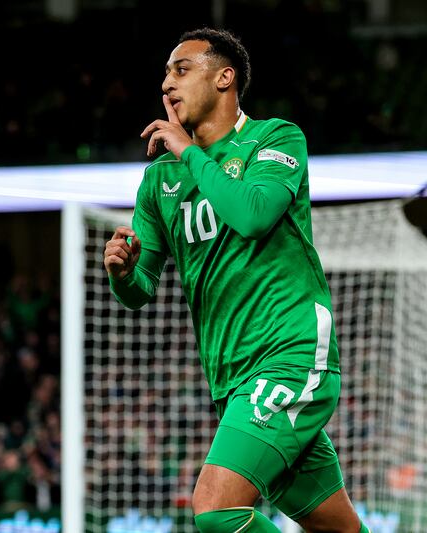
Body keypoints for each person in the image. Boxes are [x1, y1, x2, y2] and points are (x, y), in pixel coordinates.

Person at [103, 28, 370, 533]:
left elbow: (254, 216)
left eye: (181, 70)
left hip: (290, 351)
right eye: (165, 74)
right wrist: (122, 273)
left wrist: (189, 152)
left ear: (224, 78)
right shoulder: (159, 180)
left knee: (215, 509)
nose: (167, 84)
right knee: (340, 529)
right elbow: (141, 290)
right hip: (231, 376)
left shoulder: (275, 138)